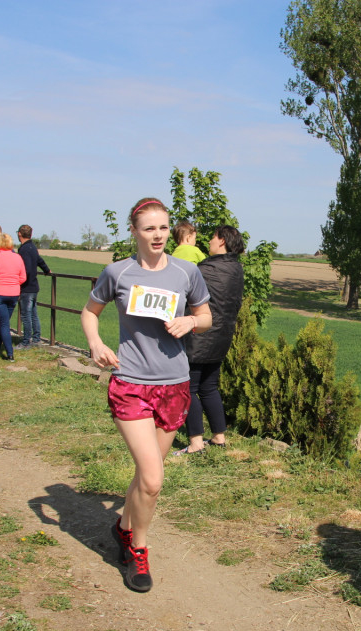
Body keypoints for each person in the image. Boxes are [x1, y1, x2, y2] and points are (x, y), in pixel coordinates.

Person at [81, 197, 212, 593]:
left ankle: (123, 527)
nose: (158, 235)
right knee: (153, 479)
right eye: (149, 228)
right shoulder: (117, 273)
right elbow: (90, 312)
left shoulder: (187, 272)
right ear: (135, 232)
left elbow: (207, 318)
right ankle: (138, 551)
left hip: (174, 386)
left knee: (145, 473)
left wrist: (191, 320)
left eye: (163, 227)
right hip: (131, 384)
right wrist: (95, 344)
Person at [175, 224, 245, 455]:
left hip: (199, 335)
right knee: (209, 387)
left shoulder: (205, 268)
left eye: (214, 237)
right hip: (222, 336)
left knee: (189, 388)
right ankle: (218, 436)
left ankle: (195, 442)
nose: (209, 241)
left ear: (222, 241)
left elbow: (186, 292)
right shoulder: (236, 269)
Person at [0, 233, 26, 361]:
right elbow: (23, 277)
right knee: (3, 322)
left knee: (4, 323)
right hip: (14, 294)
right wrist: (14, 284)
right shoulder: (18, 257)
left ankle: (10, 353)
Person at [17, 224, 52, 348]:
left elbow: (25, 269)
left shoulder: (24, 249)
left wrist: (20, 281)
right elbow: (39, 260)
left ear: (19, 234)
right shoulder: (32, 247)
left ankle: (26, 342)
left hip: (27, 287)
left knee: (26, 315)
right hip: (34, 286)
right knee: (33, 314)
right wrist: (47, 270)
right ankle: (36, 339)